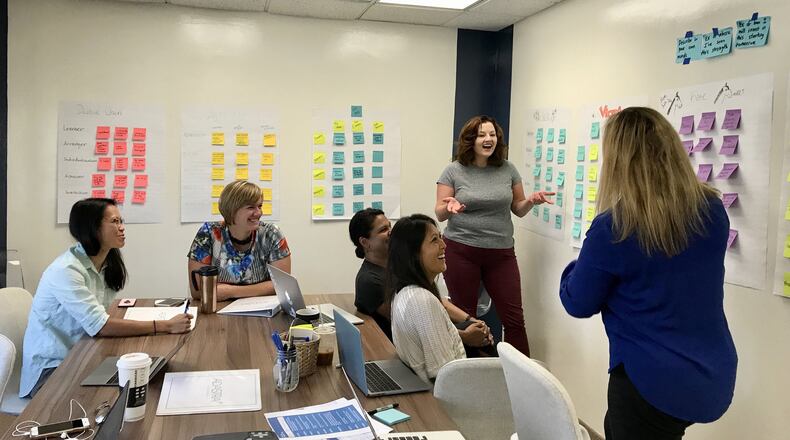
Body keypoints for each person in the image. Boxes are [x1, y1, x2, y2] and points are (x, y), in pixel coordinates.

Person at [559, 107, 737, 440]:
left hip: (651, 382)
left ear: (617, 162)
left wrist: (577, 265)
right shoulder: (712, 210)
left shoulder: (615, 228)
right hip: (711, 375)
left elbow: (577, 301)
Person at [20, 198, 193, 398]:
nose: (122, 228)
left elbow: (102, 317)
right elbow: (100, 325)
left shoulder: (104, 263)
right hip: (52, 370)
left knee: (151, 374)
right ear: (92, 228)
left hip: (83, 354)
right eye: (114, 222)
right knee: (128, 390)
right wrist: (164, 326)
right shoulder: (66, 270)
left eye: (121, 221)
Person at [435, 115, 553, 356]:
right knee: (467, 318)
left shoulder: (508, 169)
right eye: (482, 135)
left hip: (501, 254)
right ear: (471, 140)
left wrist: (530, 201)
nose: (489, 139)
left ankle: (521, 381)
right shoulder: (453, 170)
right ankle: (468, 377)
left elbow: (518, 209)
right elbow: (439, 213)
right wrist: (448, 207)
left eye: (492, 135)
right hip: (461, 250)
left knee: (514, 319)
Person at [349, 208, 493, 353]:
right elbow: (412, 322)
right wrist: (465, 336)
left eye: (390, 226)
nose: (391, 232)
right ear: (365, 242)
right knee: (481, 342)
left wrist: (472, 320)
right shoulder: (369, 281)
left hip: (430, 334)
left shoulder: (398, 267)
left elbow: (438, 300)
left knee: (480, 331)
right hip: (407, 347)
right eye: (383, 229)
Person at [386, 214, 468, 382]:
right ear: (413, 253)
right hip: (444, 398)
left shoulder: (404, 291)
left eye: (441, 238)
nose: (444, 245)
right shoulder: (422, 301)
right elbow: (445, 374)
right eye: (434, 240)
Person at [188, 180, 291, 301]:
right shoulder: (207, 234)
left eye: (260, 206)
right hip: (218, 312)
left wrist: (230, 292)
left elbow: (283, 285)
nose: (258, 213)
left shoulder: (271, 234)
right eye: (251, 207)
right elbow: (197, 291)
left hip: (263, 311)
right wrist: (260, 289)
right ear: (232, 210)